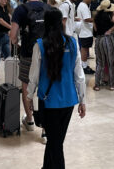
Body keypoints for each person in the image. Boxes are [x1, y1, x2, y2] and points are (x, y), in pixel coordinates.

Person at [27, 9, 86, 169]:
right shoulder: (73, 43)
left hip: (48, 100)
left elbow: (34, 76)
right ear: (62, 23)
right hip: (68, 100)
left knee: (55, 143)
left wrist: (29, 96)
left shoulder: (40, 45)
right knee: (56, 140)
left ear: (46, 24)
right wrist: (82, 100)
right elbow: (79, 74)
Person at [10, 0, 51, 133]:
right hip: (47, 53)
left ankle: (30, 119)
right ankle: (46, 129)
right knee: (45, 87)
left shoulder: (20, 10)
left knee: (27, 86)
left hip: (28, 54)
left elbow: (13, 36)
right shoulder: (49, 8)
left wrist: (16, 43)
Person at [92, 0, 114, 91]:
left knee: (99, 63)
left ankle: (97, 84)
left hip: (98, 40)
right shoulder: (109, 15)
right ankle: (112, 84)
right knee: (111, 62)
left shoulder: (96, 17)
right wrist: (110, 30)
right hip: (108, 39)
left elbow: (95, 30)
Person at [76, 0, 95, 75]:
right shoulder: (83, 6)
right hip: (85, 31)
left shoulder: (83, 5)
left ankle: (84, 65)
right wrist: (96, 19)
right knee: (84, 49)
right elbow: (86, 19)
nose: (91, 0)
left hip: (85, 31)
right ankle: (84, 67)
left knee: (85, 48)